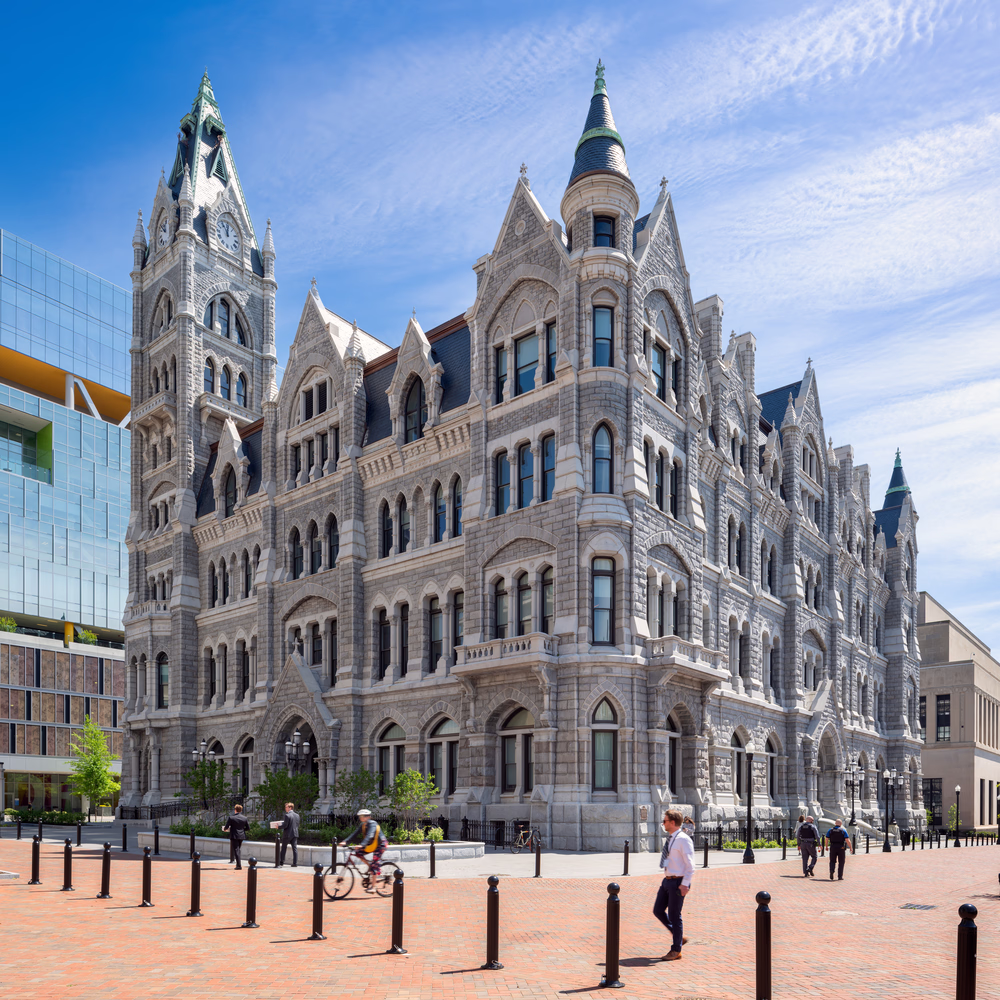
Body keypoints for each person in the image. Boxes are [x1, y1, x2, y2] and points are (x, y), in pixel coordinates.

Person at [652, 808, 694, 962]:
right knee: (658, 910)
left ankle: (676, 950)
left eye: (665, 821)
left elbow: (691, 865)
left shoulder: (683, 839)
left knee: (675, 916)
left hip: (678, 882)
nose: (663, 823)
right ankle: (678, 936)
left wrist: (685, 884)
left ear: (672, 822)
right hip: (667, 880)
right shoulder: (671, 838)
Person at [339, 808, 389, 880]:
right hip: (371, 844)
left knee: (374, 864)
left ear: (368, 816)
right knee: (358, 852)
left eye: (363, 816)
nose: (361, 817)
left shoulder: (372, 824)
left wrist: (362, 844)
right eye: (360, 816)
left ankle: (373, 887)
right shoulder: (363, 825)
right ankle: (370, 866)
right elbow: (354, 834)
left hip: (381, 845)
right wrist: (345, 841)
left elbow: (370, 835)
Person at [222, 803, 250, 871]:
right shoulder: (244, 818)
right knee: (238, 850)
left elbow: (226, 827)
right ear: (240, 810)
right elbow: (248, 828)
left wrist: (225, 829)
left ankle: (239, 865)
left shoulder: (231, 818)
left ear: (235, 810)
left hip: (234, 835)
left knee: (236, 850)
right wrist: (242, 830)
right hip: (241, 836)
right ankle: (238, 864)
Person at [279, 801, 300, 867]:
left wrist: (278, 827)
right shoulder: (297, 815)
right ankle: (295, 863)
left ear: (290, 808)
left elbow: (285, 825)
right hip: (295, 834)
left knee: (284, 848)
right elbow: (297, 824)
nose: (285, 808)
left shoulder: (287, 815)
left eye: (286, 807)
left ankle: (281, 862)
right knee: (295, 848)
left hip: (287, 834)